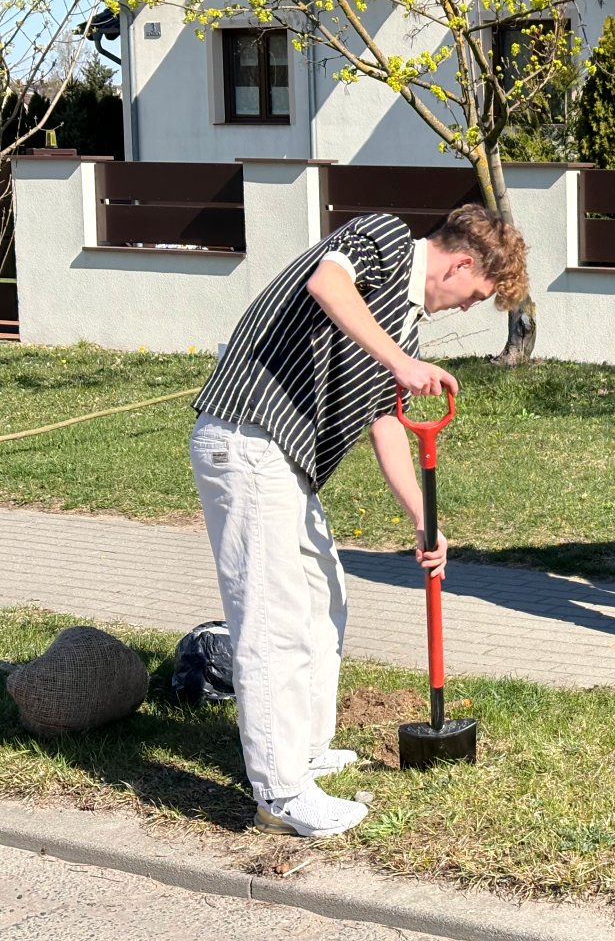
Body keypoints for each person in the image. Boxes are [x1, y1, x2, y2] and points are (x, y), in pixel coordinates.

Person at [190, 207, 528, 835]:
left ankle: (306, 752)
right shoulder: (386, 237)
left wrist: (424, 518)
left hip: (284, 460)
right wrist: (400, 362)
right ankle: (280, 793)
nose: (465, 309)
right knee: (274, 620)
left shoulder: (402, 323)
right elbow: (327, 282)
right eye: (475, 296)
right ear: (460, 263)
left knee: (323, 597)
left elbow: (385, 421)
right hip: (246, 438)